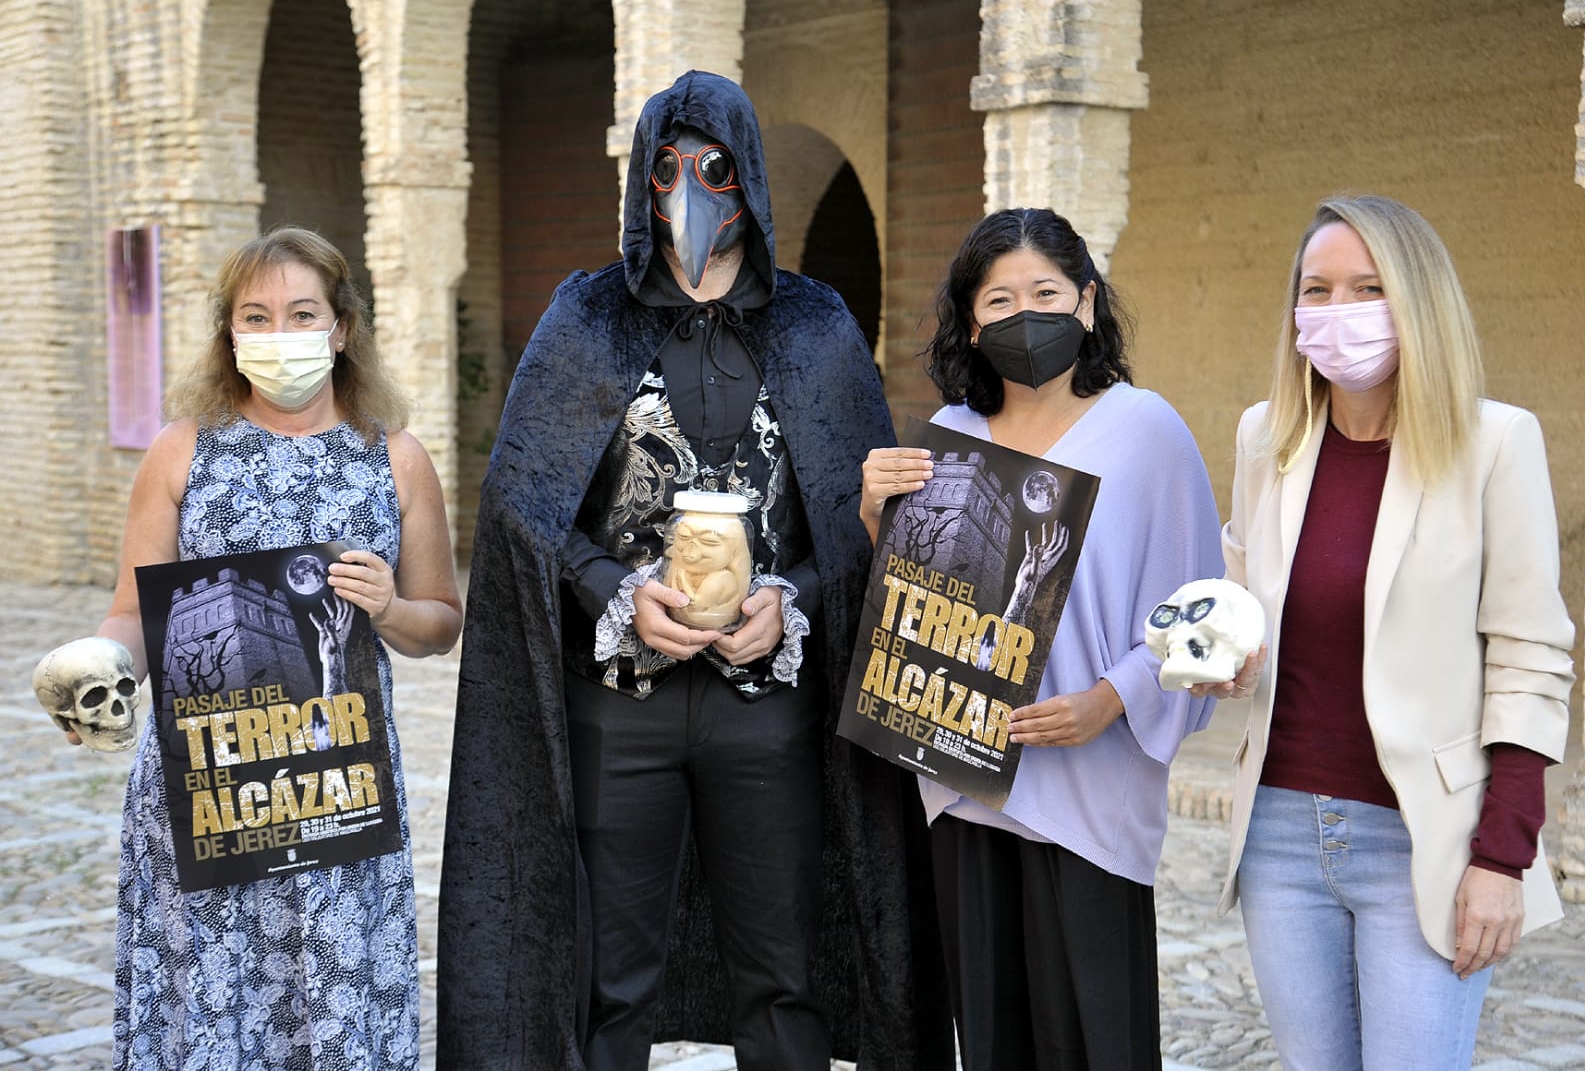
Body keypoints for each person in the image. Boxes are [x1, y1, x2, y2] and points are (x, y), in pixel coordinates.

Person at [436, 70, 952, 1071]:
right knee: (609, 979)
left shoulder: (812, 326)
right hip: (617, 704)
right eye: (665, 167)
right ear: (641, 177)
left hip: (767, 706)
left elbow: (855, 518)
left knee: (782, 976)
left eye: (711, 168)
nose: (688, 192)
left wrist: (790, 601)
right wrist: (612, 591)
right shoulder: (586, 315)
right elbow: (523, 502)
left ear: (747, 175)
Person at [65, 225, 463, 1069]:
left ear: (342, 328)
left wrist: (390, 607)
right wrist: (97, 669)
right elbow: (133, 613)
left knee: (333, 1009)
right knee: (211, 1012)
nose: (280, 334)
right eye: (257, 315)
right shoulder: (181, 452)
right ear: (231, 334)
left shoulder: (395, 461)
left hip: (338, 789)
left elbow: (441, 621)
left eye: (302, 312)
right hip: (205, 790)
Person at [1194, 194, 1573, 1070]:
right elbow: (1243, 591)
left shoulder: (1495, 443)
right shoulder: (1268, 438)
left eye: (1367, 289)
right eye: (1316, 290)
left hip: (1426, 838)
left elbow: (1529, 657)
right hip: (1280, 835)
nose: (1338, 314)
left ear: (1420, 304)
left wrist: (1502, 858)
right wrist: (1220, 653)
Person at [861, 206, 1224, 1070]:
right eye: (998, 300)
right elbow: (919, 602)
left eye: (1046, 292)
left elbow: (1202, 617)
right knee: (990, 1040)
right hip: (966, 785)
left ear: (1087, 304)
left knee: (1094, 1039)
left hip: (1089, 794)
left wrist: (1110, 700)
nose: (1023, 314)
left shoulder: (1147, 433)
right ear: (971, 321)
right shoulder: (950, 438)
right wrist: (878, 514)